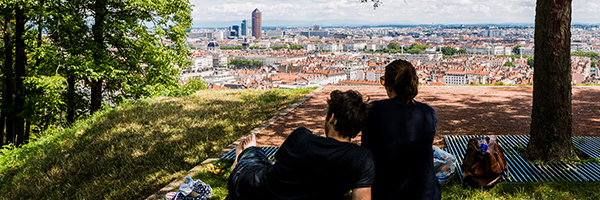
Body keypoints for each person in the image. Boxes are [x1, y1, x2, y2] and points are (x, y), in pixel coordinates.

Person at [228, 90, 374, 200]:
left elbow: (277, 169)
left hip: (254, 188)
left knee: (255, 155)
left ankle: (240, 160)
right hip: (266, 184)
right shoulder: (362, 158)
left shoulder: (301, 137)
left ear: (332, 118)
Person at [361, 59, 441, 200]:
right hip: (427, 194)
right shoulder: (428, 113)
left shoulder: (374, 110)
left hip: (386, 193)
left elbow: (367, 151)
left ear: (389, 85)